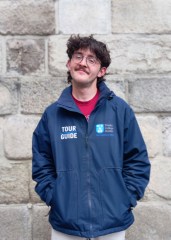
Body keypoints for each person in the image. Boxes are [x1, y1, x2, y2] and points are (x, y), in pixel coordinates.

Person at [32, 35, 151, 240]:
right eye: (78, 56)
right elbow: (42, 163)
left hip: (112, 224)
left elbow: (137, 160)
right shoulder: (52, 115)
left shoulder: (119, 110)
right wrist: (55, 197)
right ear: (69, 63)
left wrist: (125, 198)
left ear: (101, 71)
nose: (83, 63)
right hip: (66, 225)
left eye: (92, 59)